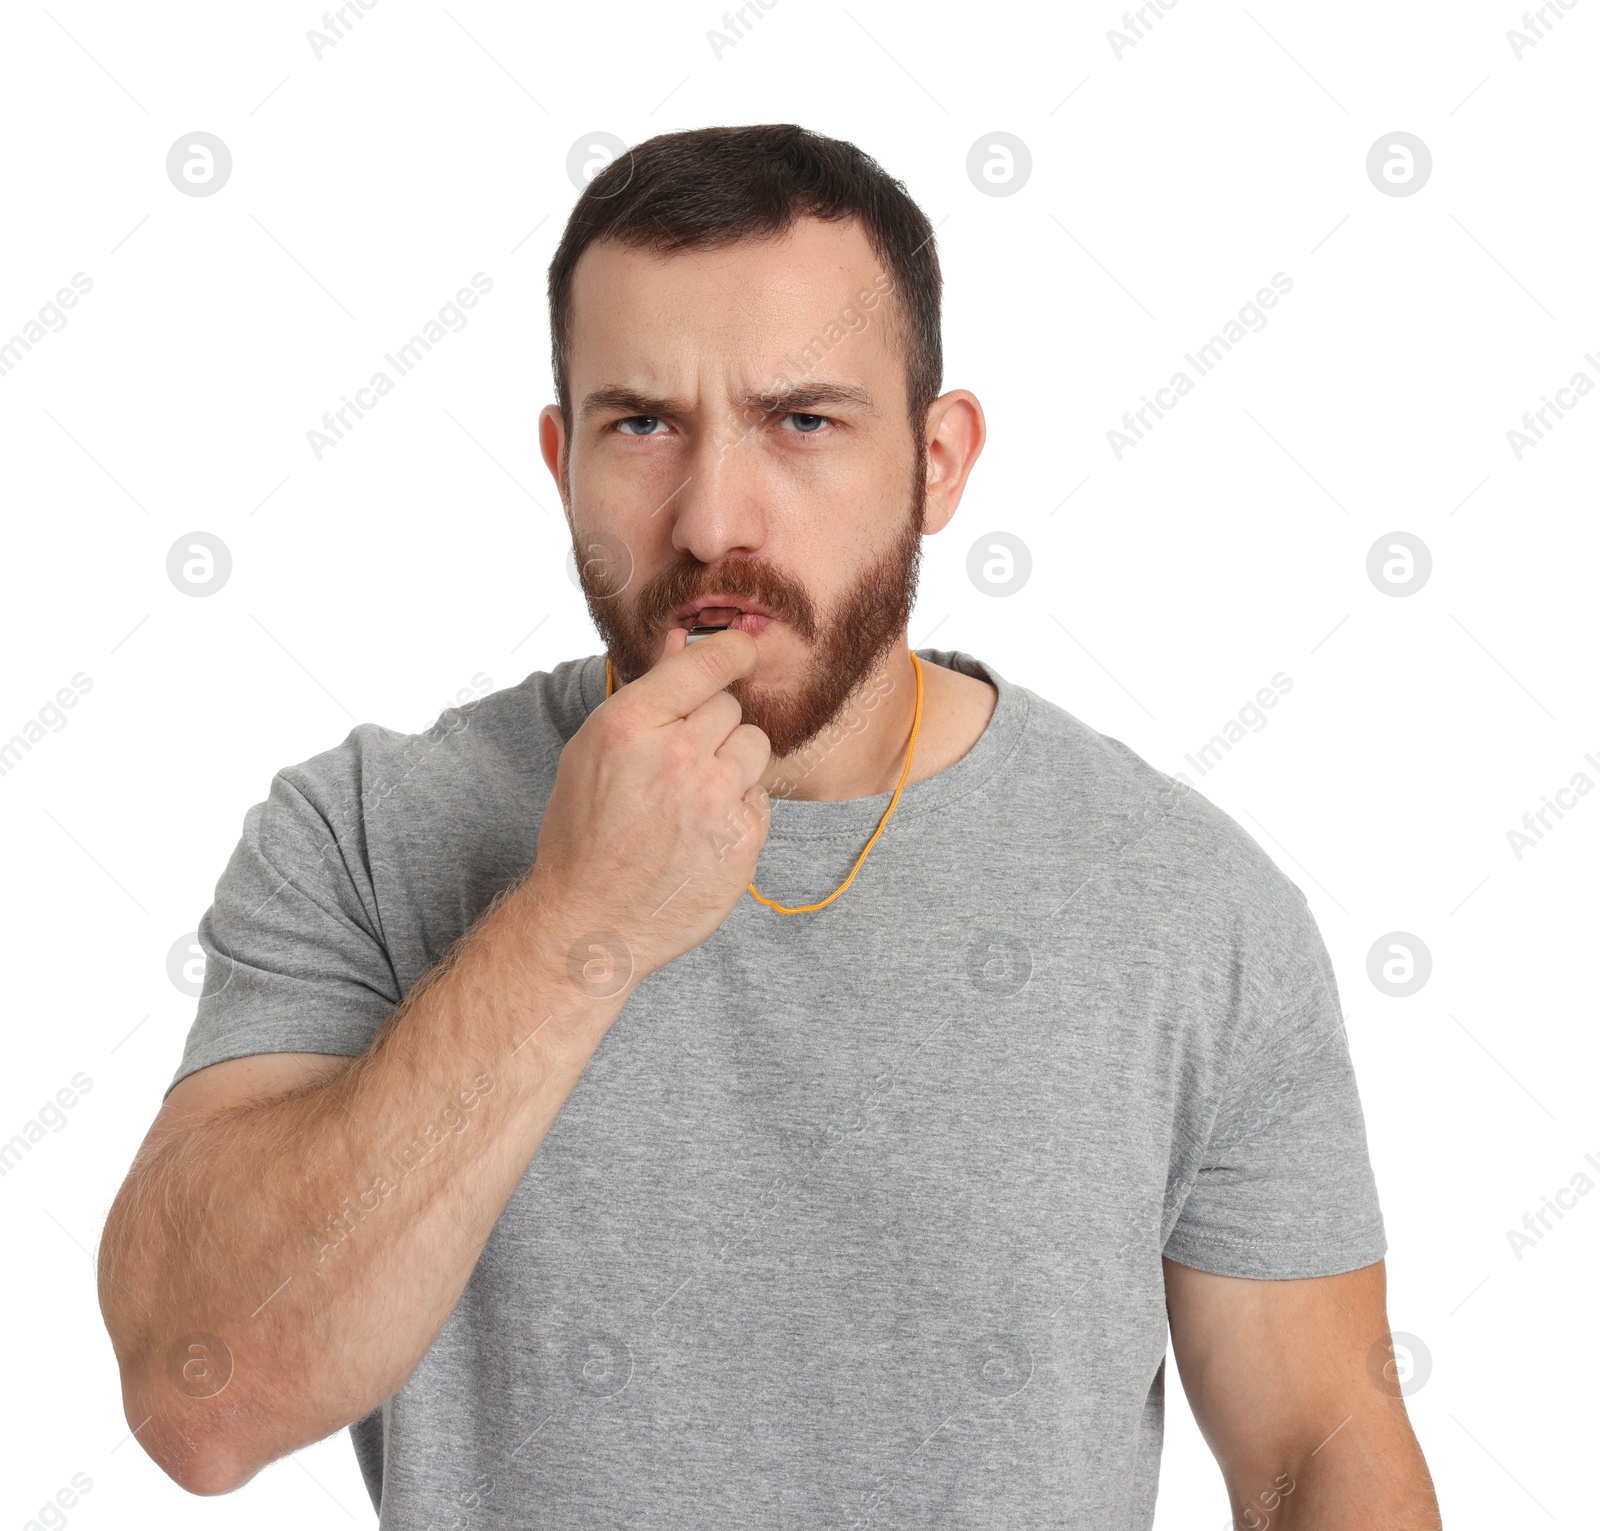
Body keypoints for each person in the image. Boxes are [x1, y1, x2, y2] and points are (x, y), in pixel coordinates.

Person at [98, 124, 1441, 1527]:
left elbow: (1313, 1454)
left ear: (939, 461)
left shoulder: (1189, 904)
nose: (712, 519)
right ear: (562, 459)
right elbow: (202, 1400)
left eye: (801, 421)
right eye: (641, 424)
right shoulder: (366, 835)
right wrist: (577, 927)